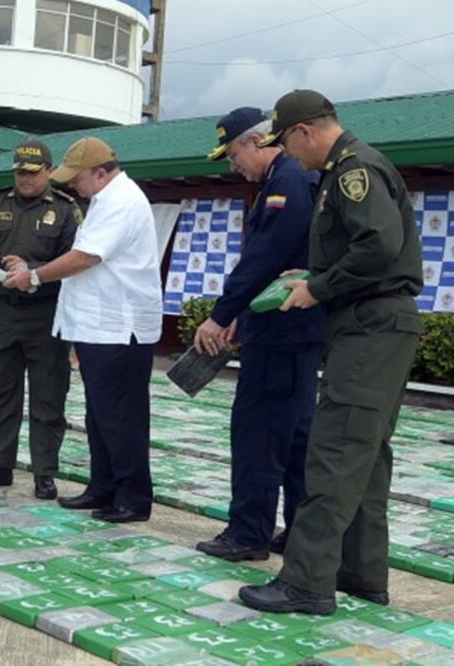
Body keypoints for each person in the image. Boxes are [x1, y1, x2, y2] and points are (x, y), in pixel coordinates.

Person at [239, 90, 422, 615]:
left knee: (335, 454)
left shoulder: (350, 171)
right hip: (379, 323)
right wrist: (315, 275)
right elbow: (367, 249)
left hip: (369, 327)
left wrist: (318, 289)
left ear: (305, 131)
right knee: (365, 458)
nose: (291, 157)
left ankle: (306, 582)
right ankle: (359, 575)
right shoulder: (353, 166)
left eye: (290, 145)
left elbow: (378, 248)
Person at [5, 137, 162, 523]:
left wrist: (35, 276)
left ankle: (132, 497)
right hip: (98, 327)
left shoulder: (121, 201)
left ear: (101, 172)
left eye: (78, 178)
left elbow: (87, 256)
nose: (73, 185)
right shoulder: (105, 200)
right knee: (101, 414)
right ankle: (104, 486)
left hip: (117, 328)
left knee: (121, 416)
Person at [192, 107, 323, 561]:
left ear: (254, 142)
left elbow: (264, 258)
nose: (233, 167)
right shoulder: (288, 179)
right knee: (294, 437)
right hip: (292, 331)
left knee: (258, 434)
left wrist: (222, 313)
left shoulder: (286, 183)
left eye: (232, 155)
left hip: (281, 333)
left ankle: (248, 533)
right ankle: (302, 530)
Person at [0, 138, 82, 500]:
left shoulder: (65, 210)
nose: (26, 179)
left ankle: (44, 473)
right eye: (20, 172)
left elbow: (74, 259)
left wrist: (29, 269)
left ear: (48, 172)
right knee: (1, 391)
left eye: (33, 173)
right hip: (2, 309)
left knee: (49, 395)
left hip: (46, 312)